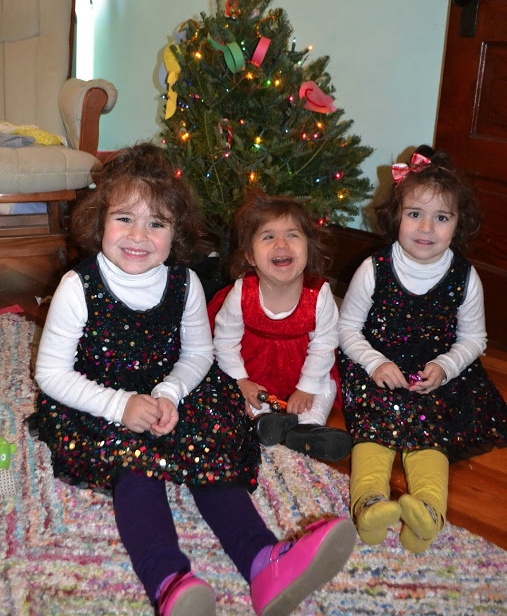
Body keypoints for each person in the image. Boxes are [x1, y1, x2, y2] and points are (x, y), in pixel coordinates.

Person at [34, 143, 356, 616]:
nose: (139, 235)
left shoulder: (184, 284)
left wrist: (169, 392)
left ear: (176, 232)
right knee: (135, 463)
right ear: (99, 220)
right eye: (125, 218)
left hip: (174, 391)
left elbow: (200, 354)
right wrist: (121, 406)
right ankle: (169, 581)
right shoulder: (77, 286)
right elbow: (50, 373)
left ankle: (264, 561)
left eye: (157, 223)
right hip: (99, 399)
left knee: (211, 449)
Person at [338, 144, 507, 553]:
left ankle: (428, 513)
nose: (426, 228)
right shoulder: (373, 269)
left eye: (441, 217)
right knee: (373, 430)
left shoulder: (465, 278)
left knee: (431, 437)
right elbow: (348, 328)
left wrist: (446, 366)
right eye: (415, 214)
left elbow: (474, 339)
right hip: (378, 369)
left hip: (435, 378)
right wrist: (375, 363)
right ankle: (370, 506)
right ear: (397, 216)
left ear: (457, 224)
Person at [209, 190, 352, 463]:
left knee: (325, 389)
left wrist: (307, 387)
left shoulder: (318, 293)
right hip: (254, 373)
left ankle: (307, 429)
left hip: (305, 369)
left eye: (293, 235)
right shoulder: (242, 292)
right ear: (250, 256)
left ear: (308, 249)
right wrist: (241, 381)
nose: (282, 244)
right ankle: (268, 422)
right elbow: (224, 342)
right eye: (268, 236)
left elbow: (324, 345)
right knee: (237, 400)